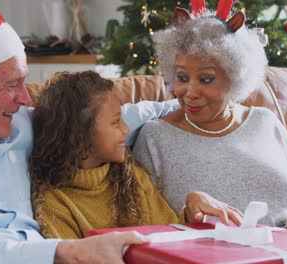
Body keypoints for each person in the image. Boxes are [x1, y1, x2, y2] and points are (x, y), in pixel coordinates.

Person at [0, 6, 183, 264]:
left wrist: (205, 103)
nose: (25, 98)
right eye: (12, 84)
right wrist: (61, 252)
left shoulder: (23, 123)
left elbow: (115, 119)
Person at [132, 4, 287, 237]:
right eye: (182, 77)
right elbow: (141, 219)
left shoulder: (265, 122)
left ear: (236, 77)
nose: (190, 91)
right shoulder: (154, 137)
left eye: (205, 79)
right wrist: (187, 216)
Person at [28, 71, 242, 239]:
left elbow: (167, 238)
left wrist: (191, 213)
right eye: (115, 122)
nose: (125, 129)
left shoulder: (131, 178)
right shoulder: (54, 205)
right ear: (79, 135)